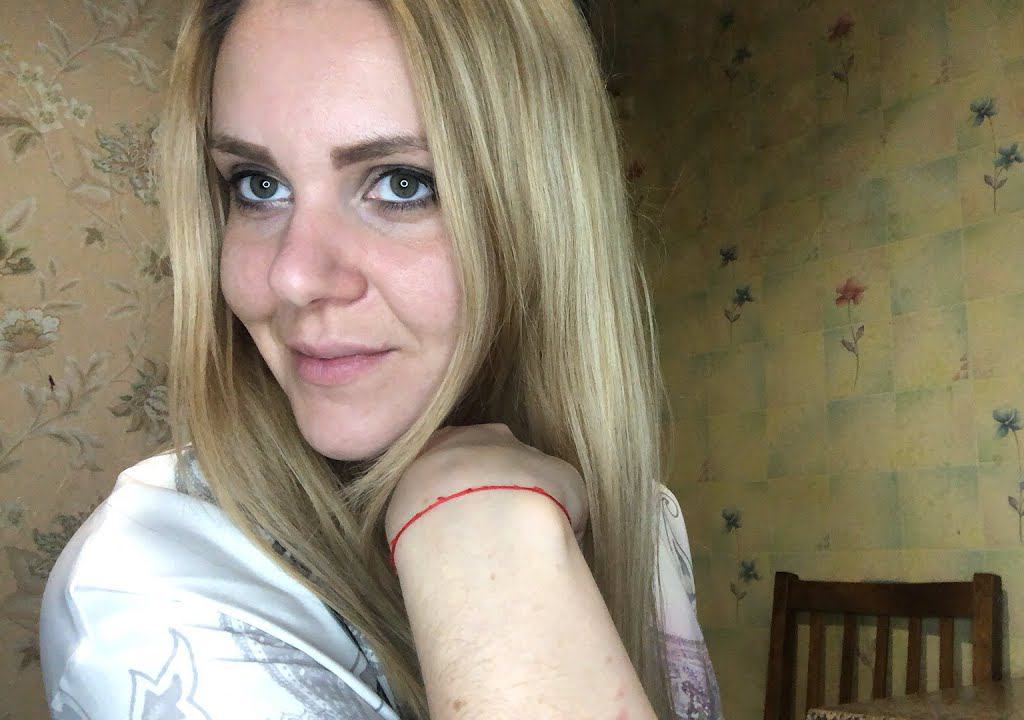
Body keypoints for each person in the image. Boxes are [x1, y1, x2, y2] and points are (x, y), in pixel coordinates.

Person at [37, 0, 724, 718]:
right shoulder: (154, 588)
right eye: (258, 185)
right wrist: (476, 526)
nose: (292, 277)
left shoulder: (648, 520)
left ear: (545, 215)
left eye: (402, 183)